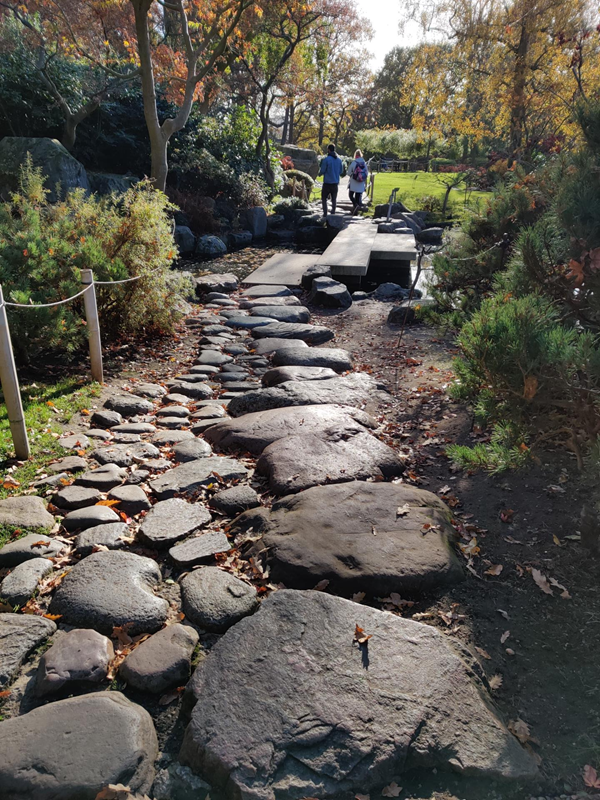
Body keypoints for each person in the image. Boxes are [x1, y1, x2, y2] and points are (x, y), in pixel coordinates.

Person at [318, 143, 343, 217]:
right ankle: (333, 212)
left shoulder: (326, 160)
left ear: (328, 150)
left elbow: (322, 170)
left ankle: (325, 213)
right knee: (334, 198)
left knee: (324, 198)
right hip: (335, 182)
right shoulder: (339, 160)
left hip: (327, 182)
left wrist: (319, 174)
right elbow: (341, 171)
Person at [348, 149, 368, 214]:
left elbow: (348, 172)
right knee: (358, 196)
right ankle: (356, 211)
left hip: (354, 182)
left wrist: (352, 175)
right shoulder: (364, 163)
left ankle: (355, 206)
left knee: (351, 195)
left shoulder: (354, 162)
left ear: (355, 155)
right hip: (361, 183)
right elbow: (366, 173)